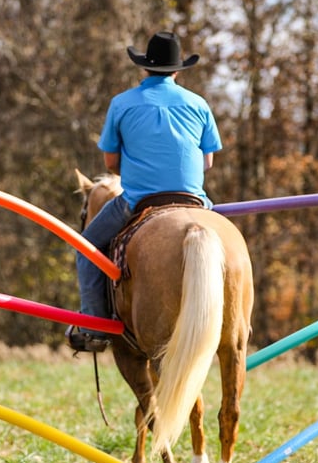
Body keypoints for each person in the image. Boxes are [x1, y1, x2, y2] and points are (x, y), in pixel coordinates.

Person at [69, 31, 222, 352]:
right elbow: (207, 161)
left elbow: (111, 161)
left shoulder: (122, 103)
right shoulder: (198, 104)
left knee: (85, 250)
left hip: (138, 201)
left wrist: (141, 170)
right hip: (196, 202)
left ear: (144, 69)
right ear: (177, 71)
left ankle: (94, 326)